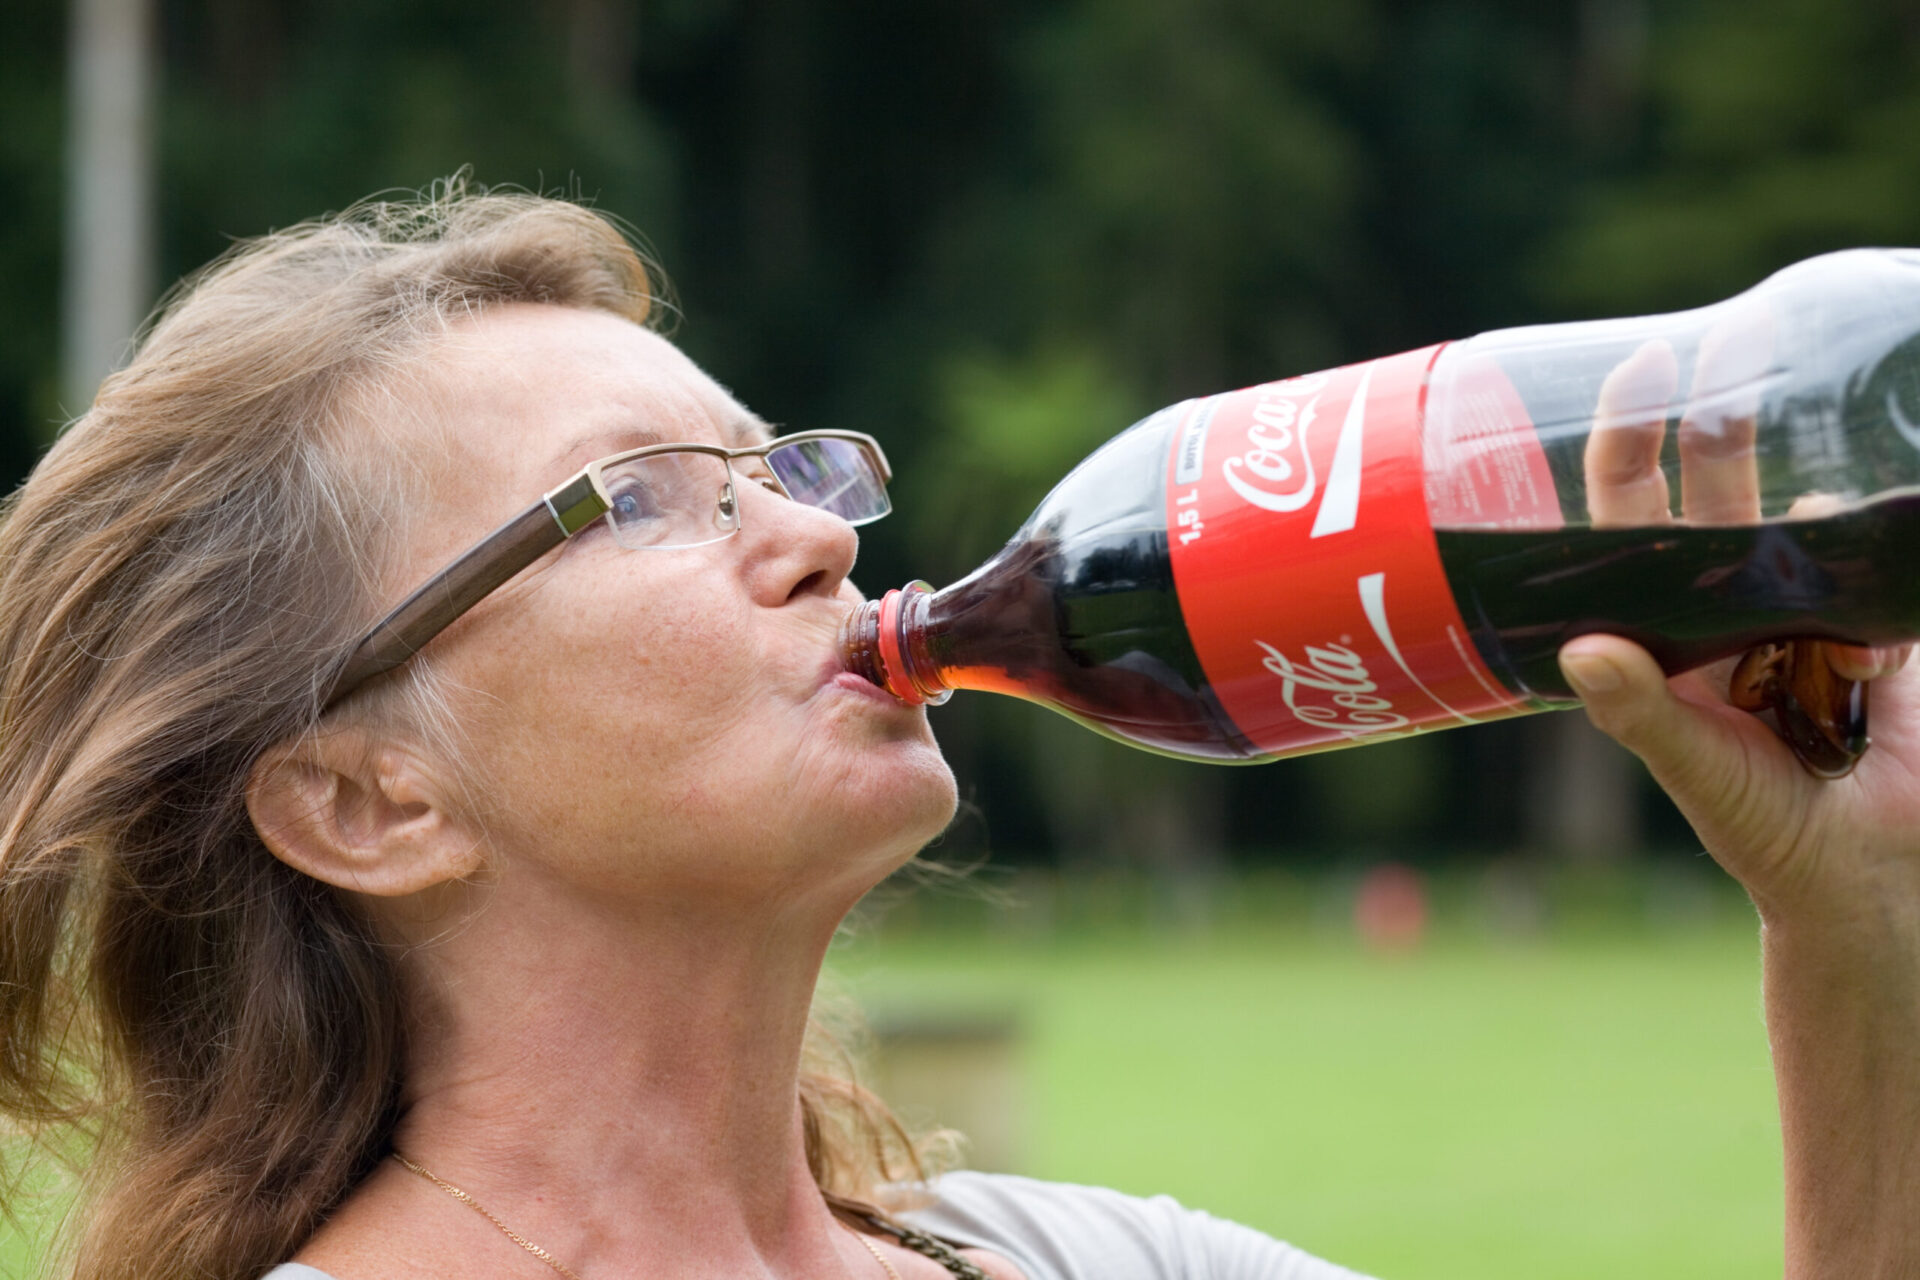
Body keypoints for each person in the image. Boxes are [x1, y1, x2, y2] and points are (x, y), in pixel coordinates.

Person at [0, 186, 1910, 1280]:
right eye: (647, 496)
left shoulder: (1116, 1270)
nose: (827, 534)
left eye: (785, 464)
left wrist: (1864, 944)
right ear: (360, 797)